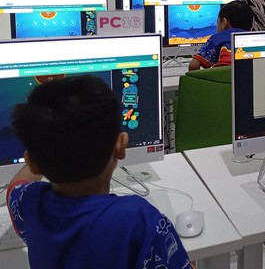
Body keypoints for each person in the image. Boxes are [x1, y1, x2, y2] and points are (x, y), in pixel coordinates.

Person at [7, 75, 191, 269]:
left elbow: (15, 186)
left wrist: (43, 149)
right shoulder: (139, 219)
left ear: (32, 163)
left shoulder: (29, 201)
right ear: (121, 147)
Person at [188, 0, 254, 70]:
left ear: (224, 23)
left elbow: (194, 64)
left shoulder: (217, 38)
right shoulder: (254, 39)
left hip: (221, 75)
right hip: (247, 75)